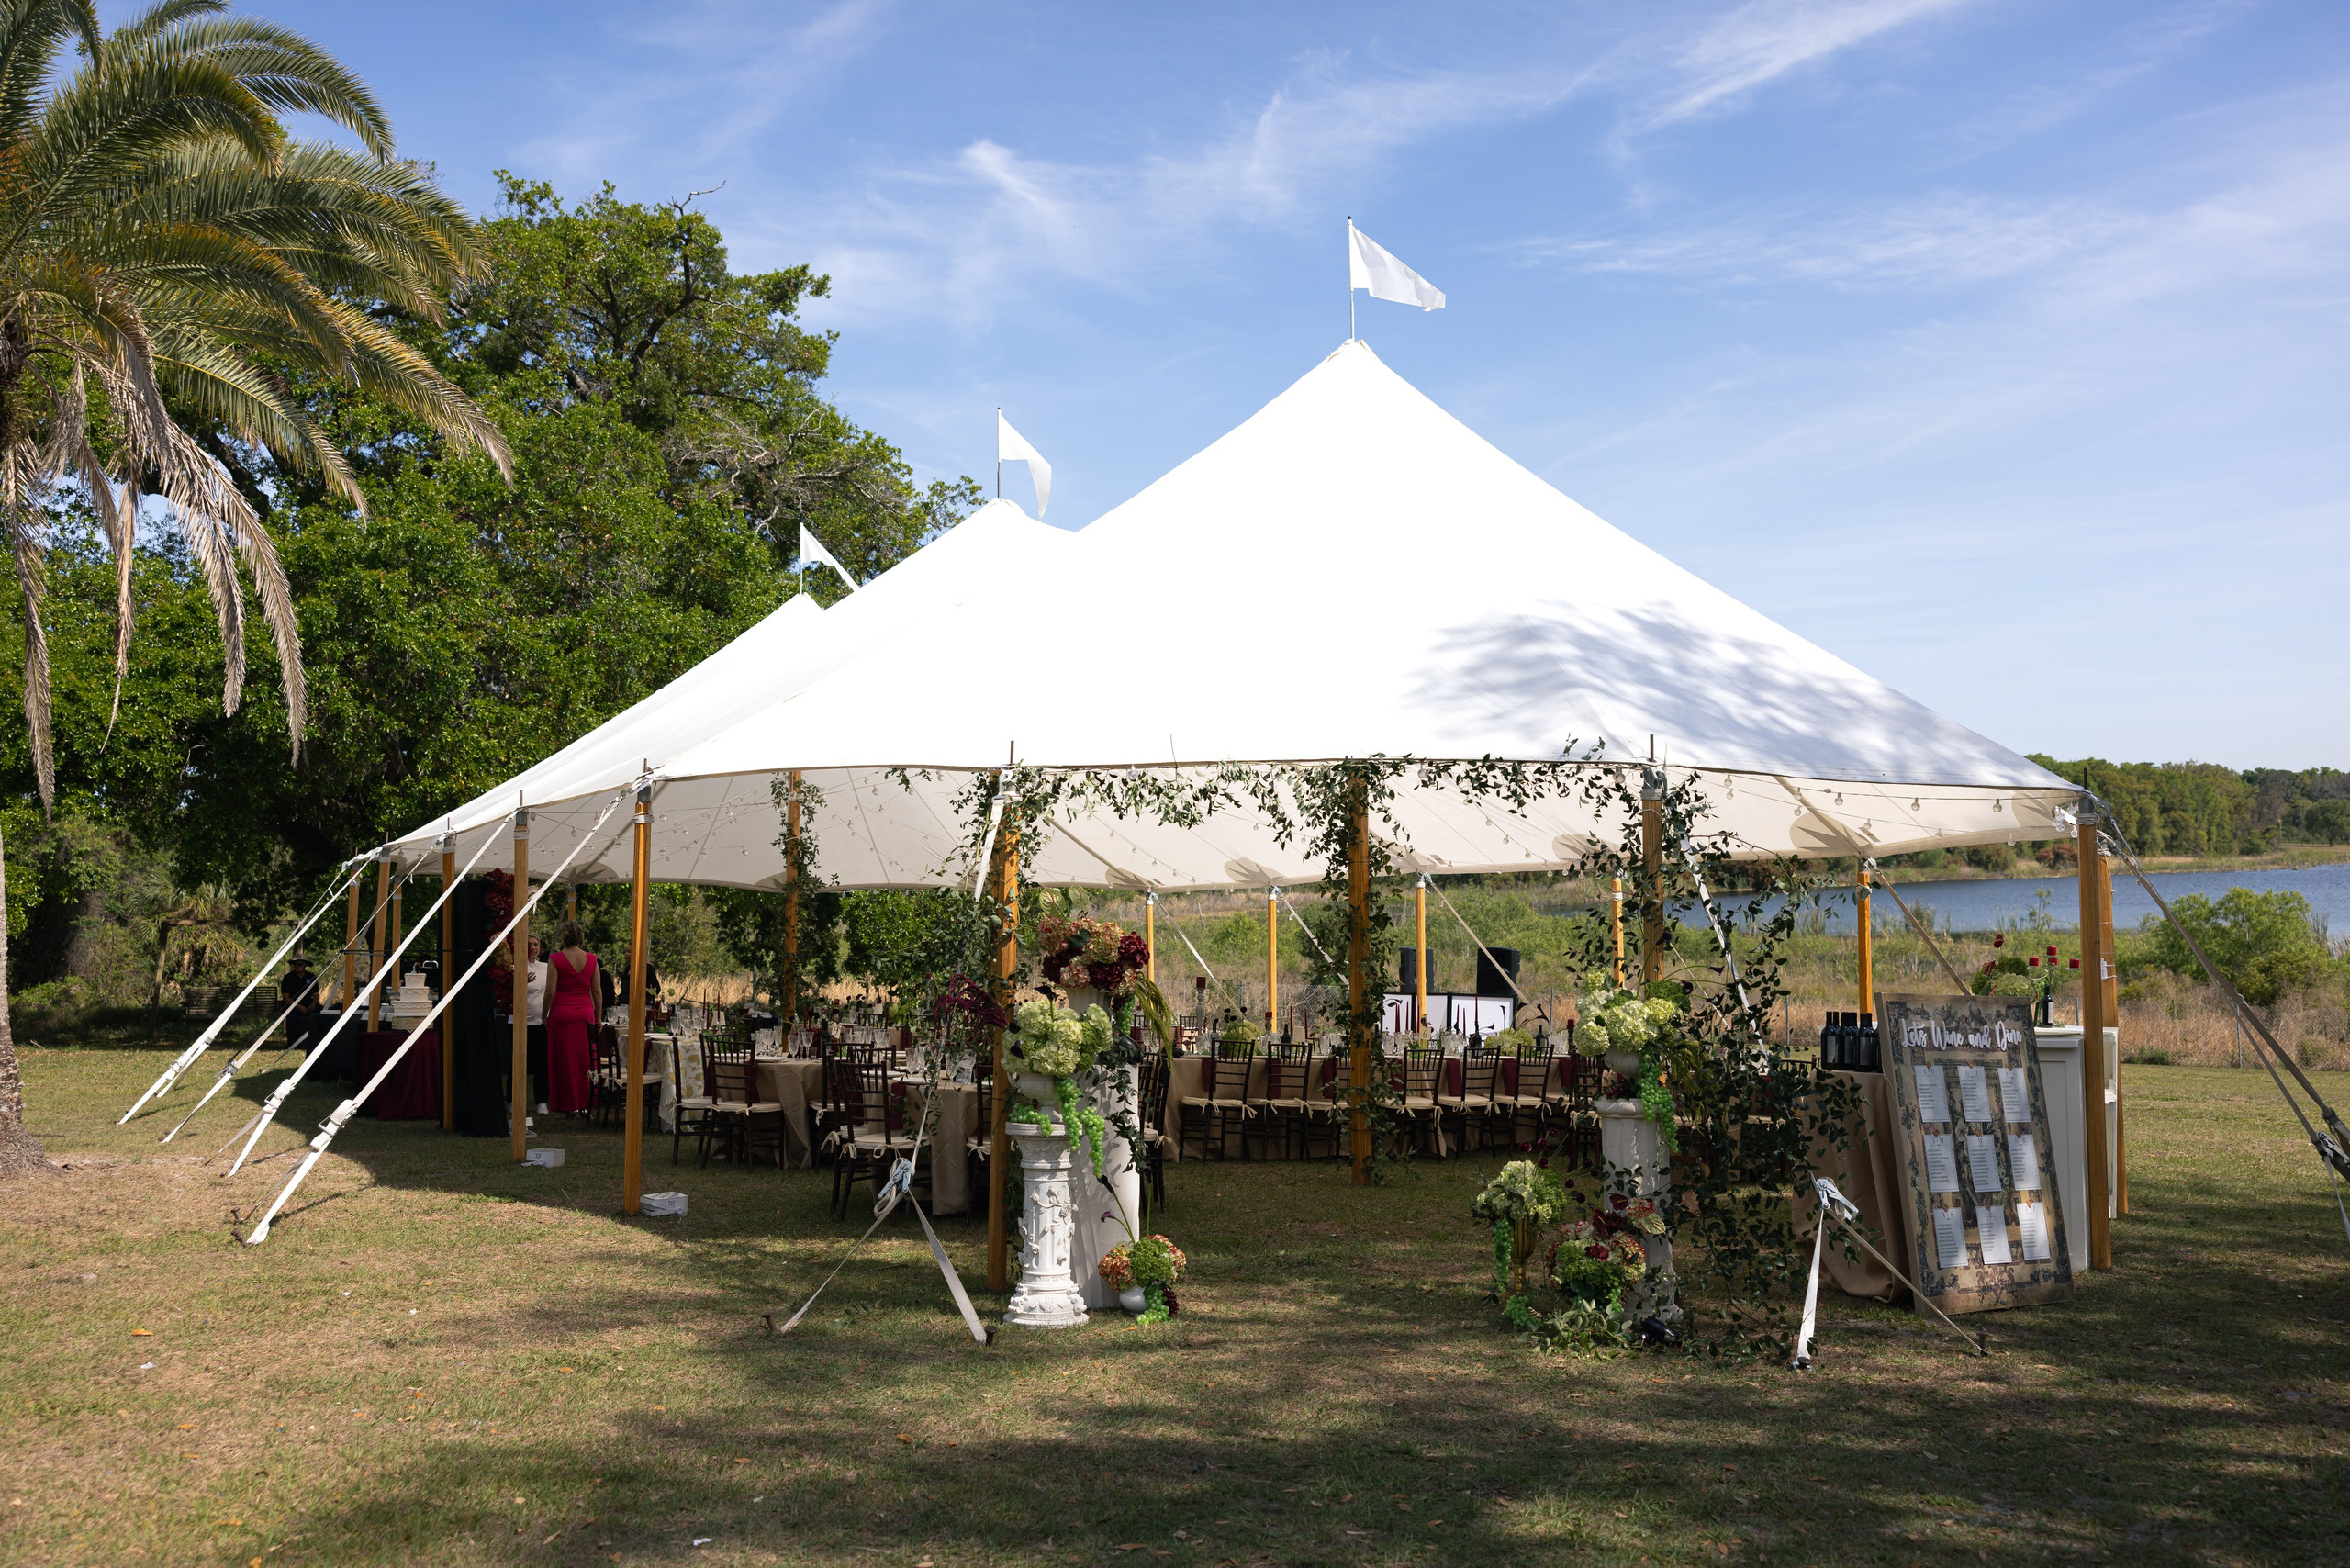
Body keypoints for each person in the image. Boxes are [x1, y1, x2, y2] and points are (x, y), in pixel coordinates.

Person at [544, 920, 600, 1114]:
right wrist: (598, 1016)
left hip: (562, 1014)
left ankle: (568, 1104)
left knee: (564, 1060)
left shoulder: (555, 959)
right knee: (585, 1059)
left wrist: (545, 1014)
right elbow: (597, 992)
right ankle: (585, 1103)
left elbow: (550, 991)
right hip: (585, 1014)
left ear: (563, 936)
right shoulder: (592, 959)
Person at [524, 935, 551, 1115]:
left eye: (536, 945)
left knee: (542, 1063)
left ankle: (542, 1101)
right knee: (520, 1063)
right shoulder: (517, 967)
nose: (533, 948)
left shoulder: (546, 967)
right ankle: (513, 1099)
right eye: (529, 945)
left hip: (543, 1022)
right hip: (524, 1021)